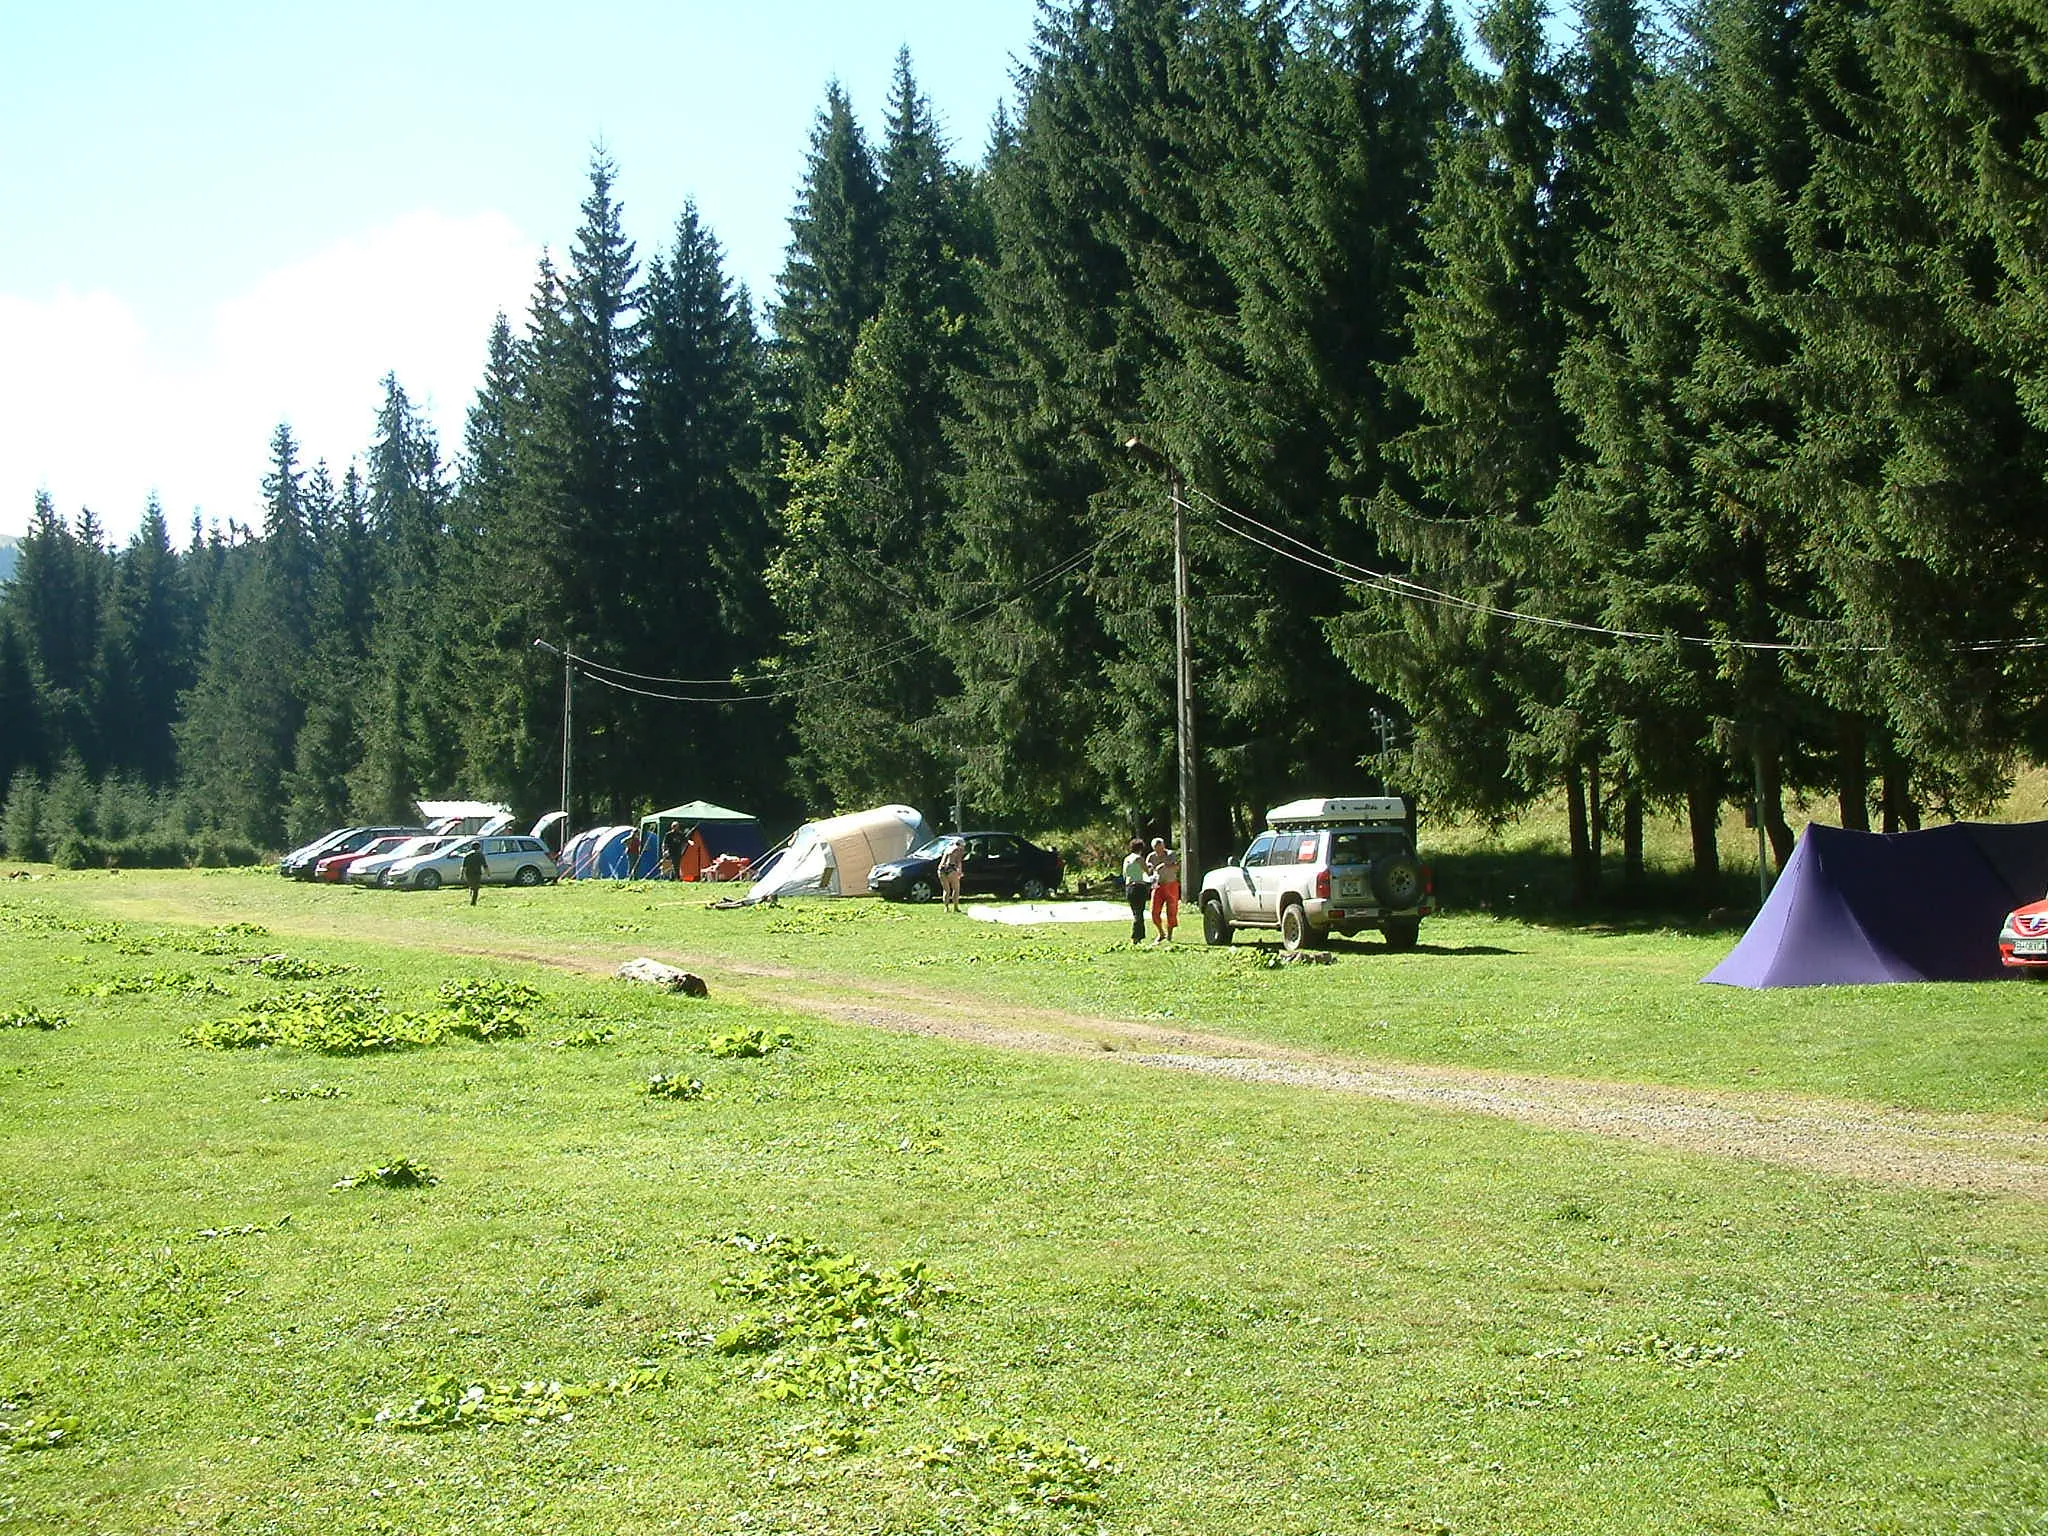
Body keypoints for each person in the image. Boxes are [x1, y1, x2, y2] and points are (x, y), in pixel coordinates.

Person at [1146, 836, 1181, 943]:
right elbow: (1147, 868)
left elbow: (1176, 866)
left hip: (1171, 885)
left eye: (1161, 847)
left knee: (1171, 911)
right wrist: (1148, 868)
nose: (1159, 850)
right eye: (1157, 848)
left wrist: (1164, 865)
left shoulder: (1170, 854)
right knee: (1154, 911)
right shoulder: (1151, 856)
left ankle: (1169, 935)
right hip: (1158, 885)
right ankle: (1161, 933)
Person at [1121, 838, 1150, 945]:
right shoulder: (1139, 859)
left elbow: (1125, 874)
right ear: (1141, 849)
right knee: (1139, 913)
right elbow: (1147, 872)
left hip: (1129, 887)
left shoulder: (1126, 859)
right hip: (1139, 887)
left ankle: (1138, 936)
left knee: (1135, 912)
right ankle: (1137, 936)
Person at [937, 835, 966, 911]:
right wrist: (959, 872)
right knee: (956, 889)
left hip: (941, 869)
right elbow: (958, 862)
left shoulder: (948, 848)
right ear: (961, 845)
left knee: (946, 890)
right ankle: (956, 907)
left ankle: (946, 908)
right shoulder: (958, 850)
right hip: (951, 868)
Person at [462, 841, 487, 906]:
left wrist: (462, 874)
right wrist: (488, 873)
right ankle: (473, 902)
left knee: (472, 885)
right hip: (477, 873)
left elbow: (464, 867)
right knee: (476, 888)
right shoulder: (480, 855)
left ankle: (471, 891)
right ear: (479, 847)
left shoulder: (467, 855)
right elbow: (485, 865)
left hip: (469, 873)